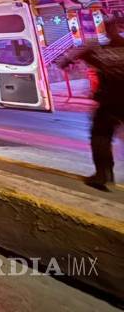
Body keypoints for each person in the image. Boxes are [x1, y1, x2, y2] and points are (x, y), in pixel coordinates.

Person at [58, 15, 124, 190]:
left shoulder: (97, 49)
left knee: (100, 137)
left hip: (110, 102)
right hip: (112, 101)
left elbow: (65, 61)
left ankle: (103, 174)